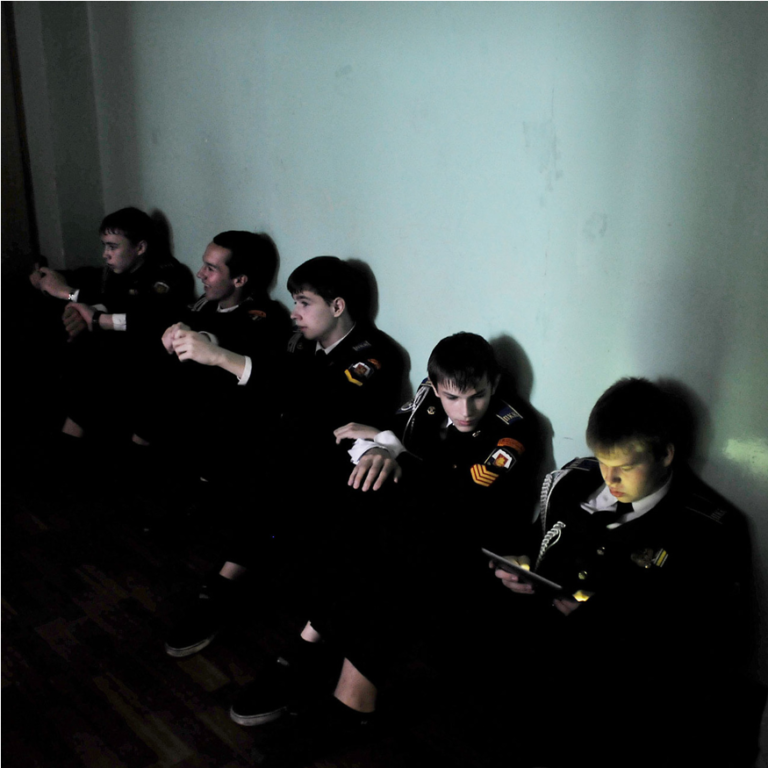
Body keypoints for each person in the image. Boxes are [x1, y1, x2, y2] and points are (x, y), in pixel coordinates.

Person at [227, 334, 539, 759]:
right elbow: (397, 432)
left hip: (474, 541)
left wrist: (394, 451)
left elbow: (464, 497)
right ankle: (317, 648)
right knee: (359, 499)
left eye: (478, 396)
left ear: (495, 383)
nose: (465, 411)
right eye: (452, 397)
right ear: (436, 387)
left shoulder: (513, 427)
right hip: (423, 520)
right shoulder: (429, 399)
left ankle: (328, 669)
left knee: (392, 550)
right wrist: (380, 446)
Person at [481, 377, 747, 766]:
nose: (610, 478)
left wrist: (602, 623)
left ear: (665, 454)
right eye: (603, 461)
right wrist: (520, 565)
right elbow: (539, 539)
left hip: (619, 695)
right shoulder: (571, 482)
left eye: (626, 466)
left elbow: (705, 650)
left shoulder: (706, 532)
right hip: (537, 660)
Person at [163, 256, 405, 659]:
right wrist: (200, 337)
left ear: (338, 306)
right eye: (294, 302)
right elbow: (263, 357)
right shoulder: (302, 341)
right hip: (286, 457)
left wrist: (221, 357)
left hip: (335, 470)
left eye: (305, 303)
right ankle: (226, 576)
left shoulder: (374, 354)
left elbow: (318, 401)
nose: (295, 312)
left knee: (280, 461)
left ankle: (234, 587)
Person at [131, 231, 291, 521]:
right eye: (204, 264)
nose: (200, 274)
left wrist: (205, 342)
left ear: (239, 280)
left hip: (227, 421)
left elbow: (249, 358)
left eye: (211, 268)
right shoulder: (204, 305)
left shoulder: (265, 317)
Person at [30, 207, 193, 445]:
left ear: (140, 247)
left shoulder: (166, 274)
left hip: (147, 362)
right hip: (113, 359)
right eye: (104, 245)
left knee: (94, 374)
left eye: (112, 246)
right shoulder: (116, 270)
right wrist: (45, 278)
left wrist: (71, 296)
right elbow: (93, 288)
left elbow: (143, 316)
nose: (105, 254)